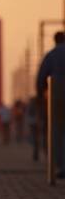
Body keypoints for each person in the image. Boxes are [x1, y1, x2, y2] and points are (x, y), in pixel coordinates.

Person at [37, 31, 65, 175]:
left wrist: (41, 96)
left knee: (57, 130)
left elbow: (41, 77)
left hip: (57, 94)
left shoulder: (51, 55)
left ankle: (60, 165)